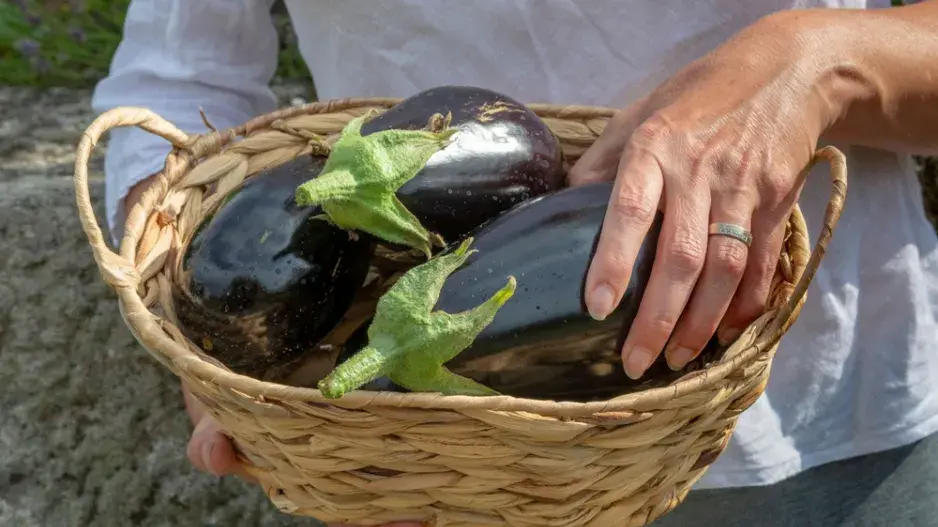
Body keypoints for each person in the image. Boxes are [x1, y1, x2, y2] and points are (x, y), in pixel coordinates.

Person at [93, 1, 938, 526]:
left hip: (833, 436)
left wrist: (821, 61)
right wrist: (200, 318)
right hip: (417, 459)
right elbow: (177, 74)